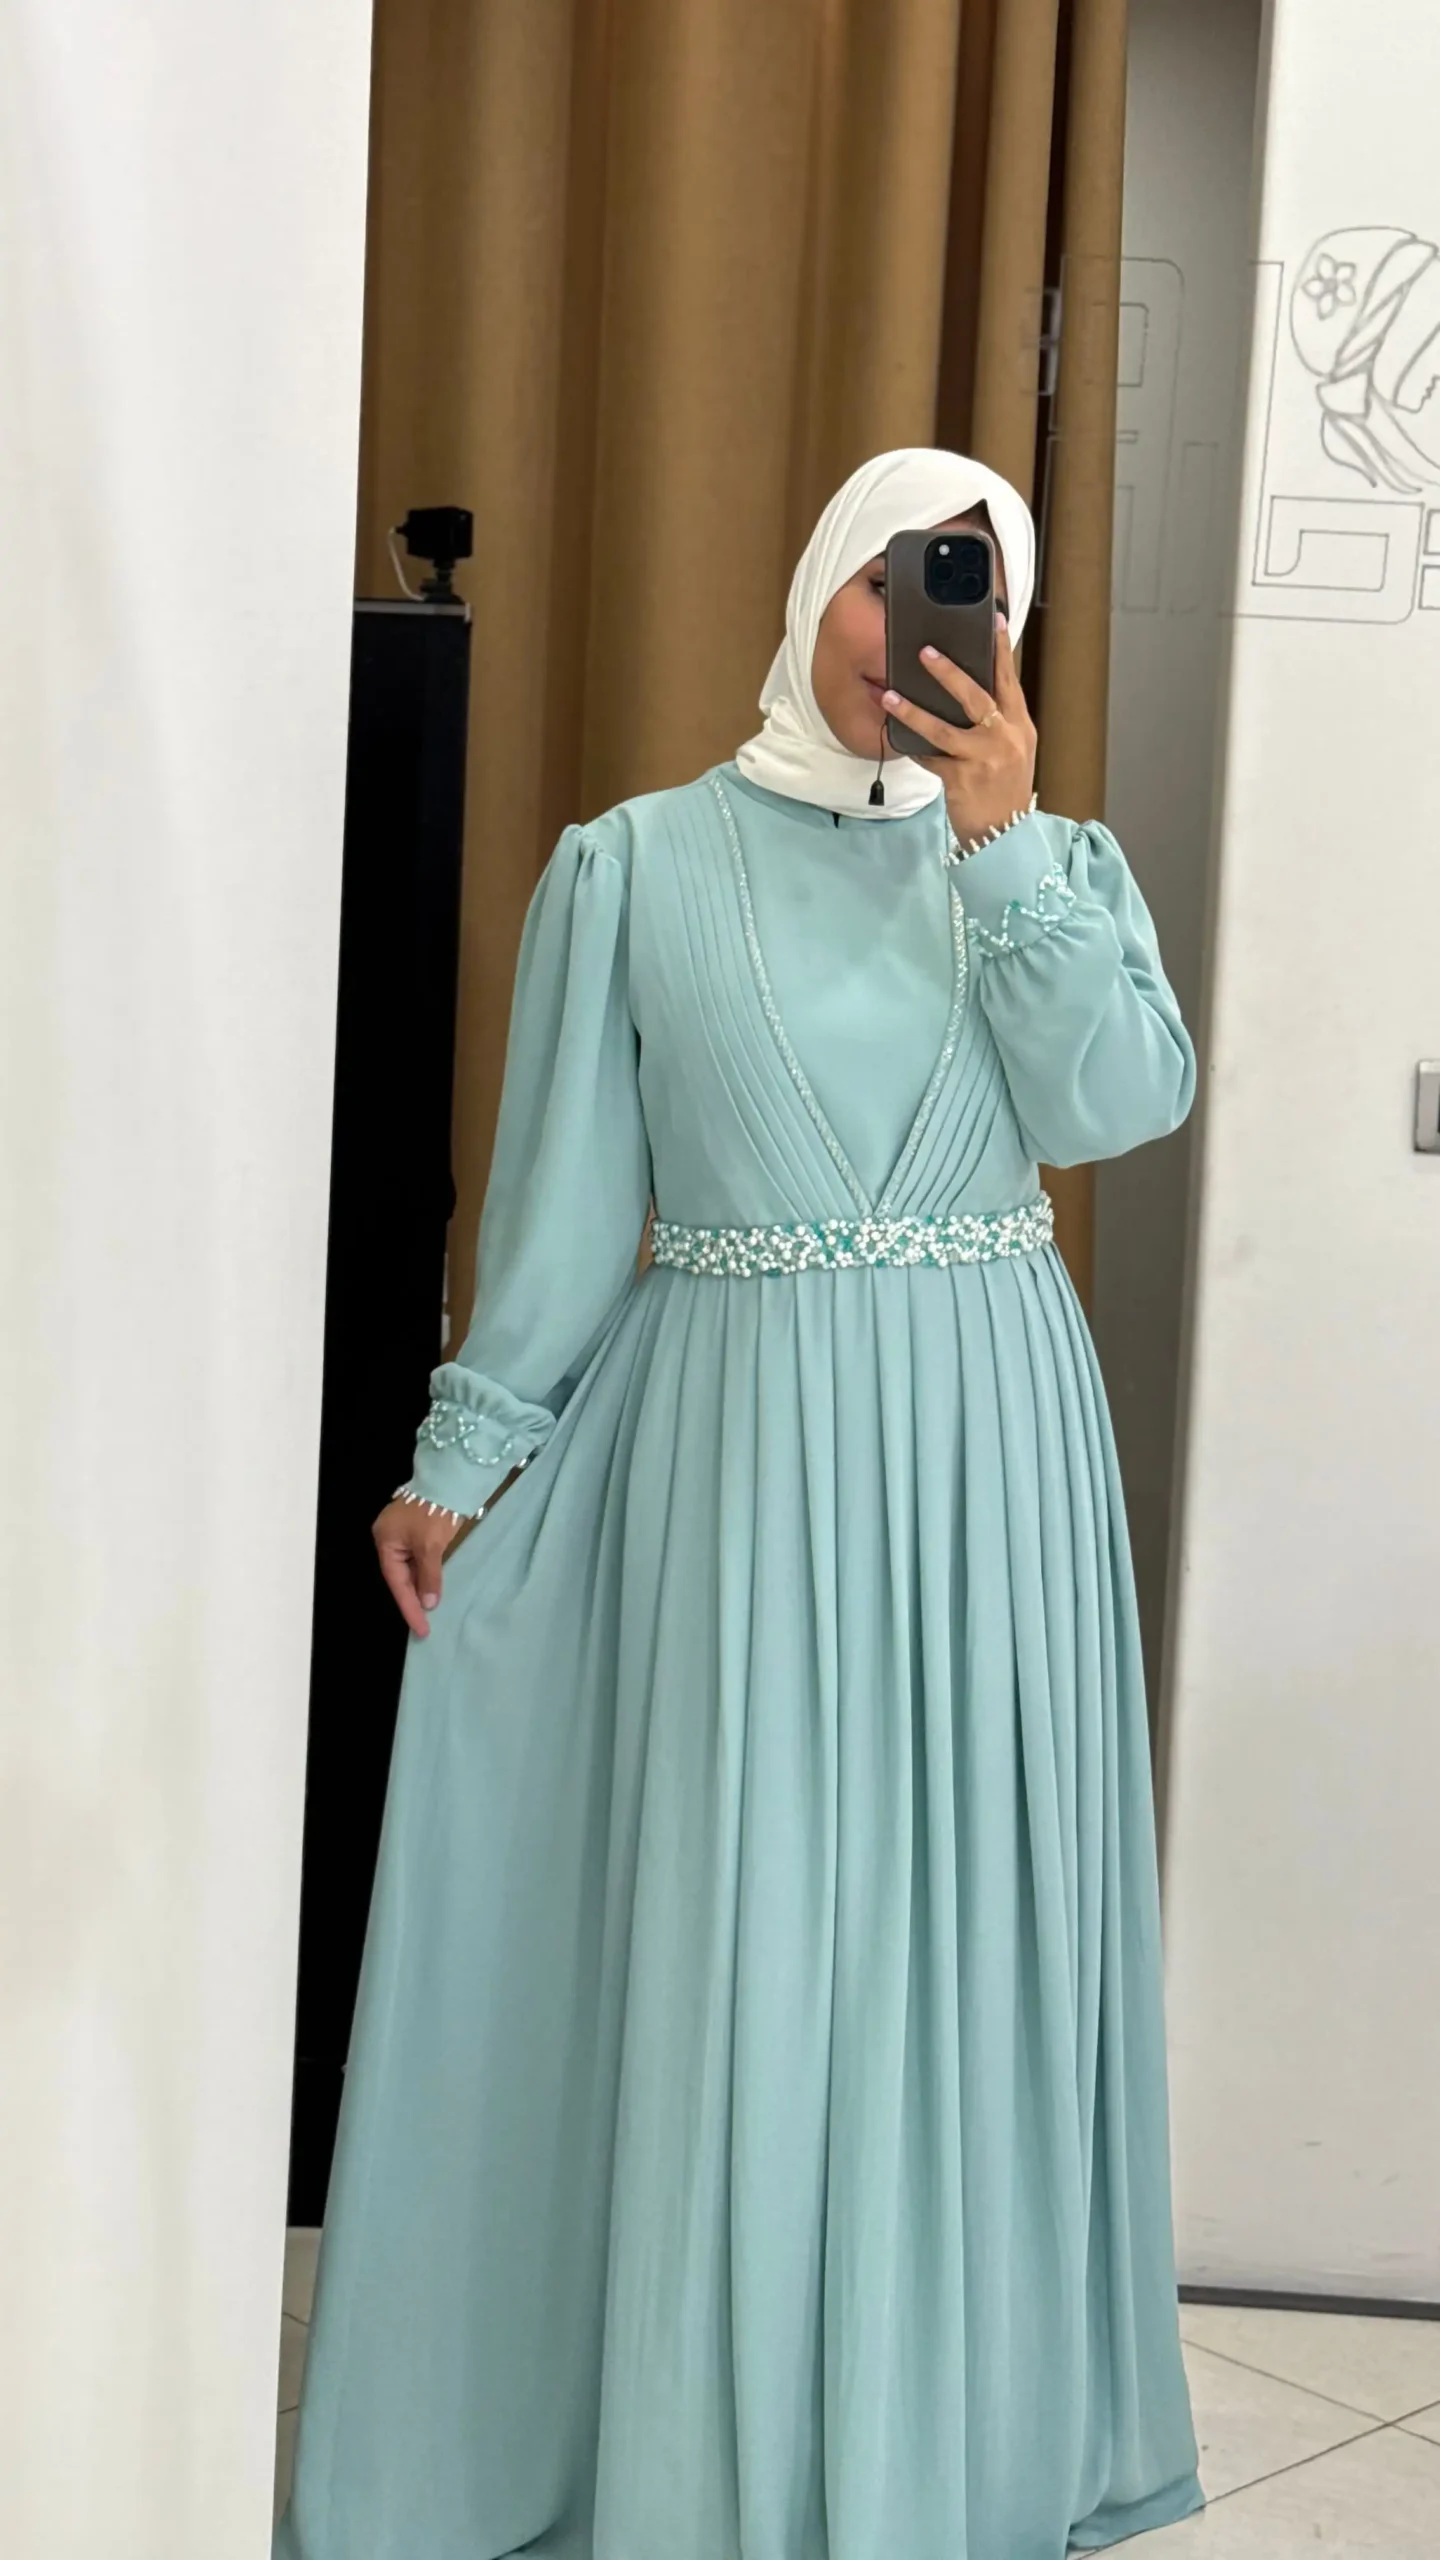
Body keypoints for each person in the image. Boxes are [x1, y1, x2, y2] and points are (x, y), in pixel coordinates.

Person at [275, 448, 1205, 2560]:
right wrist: (462, 1454)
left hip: (988, 1467)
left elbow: (1113, 1106)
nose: (918, 630)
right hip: (736, 1453)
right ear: (814, 592)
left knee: (952, 1937)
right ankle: (712, 2443)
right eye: (893, 580)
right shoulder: (635, 866)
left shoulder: (1055, 866)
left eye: (970, 589)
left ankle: (943, 2441)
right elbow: (561, 1205)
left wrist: (1003, 847)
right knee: (747, 1928)